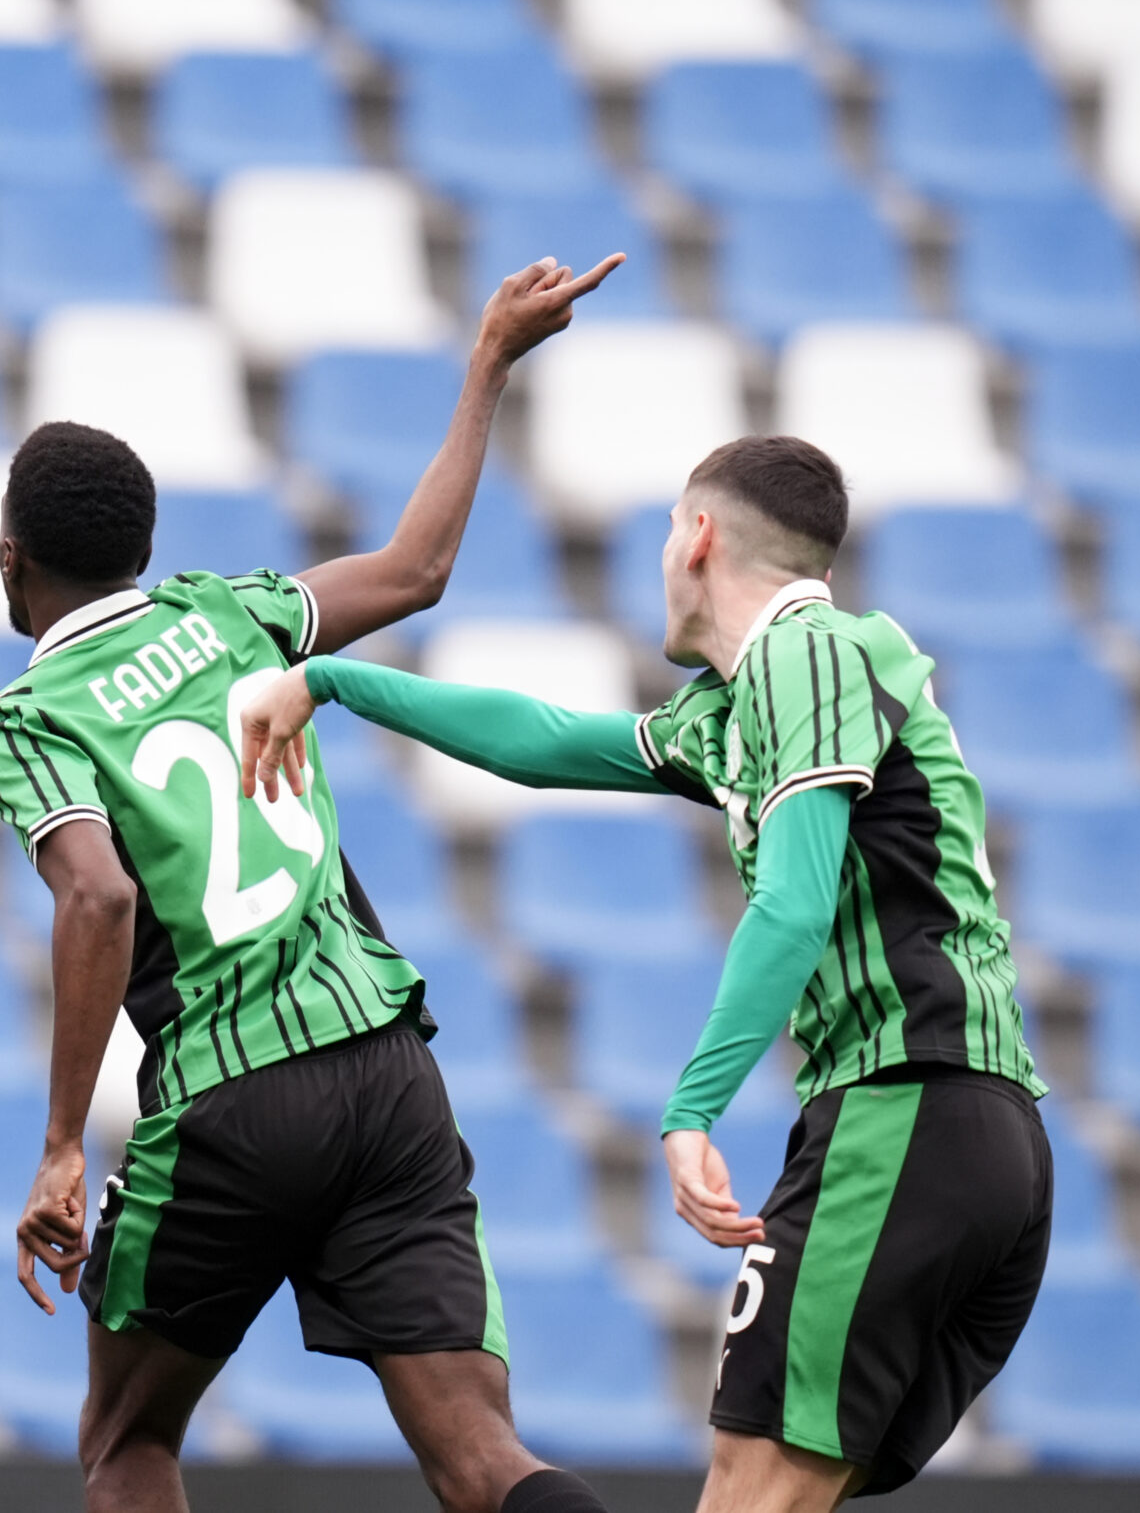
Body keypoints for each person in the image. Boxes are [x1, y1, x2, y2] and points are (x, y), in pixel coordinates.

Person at [236, 436, 1053, 1511]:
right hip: (976, 1136)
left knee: (749, 1484)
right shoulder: (750, 702)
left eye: (668, 531)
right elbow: (543, 741)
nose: (661, 558)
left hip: (903, 1114)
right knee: (780, 1489)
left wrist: (691, 1108)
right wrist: (330, 679)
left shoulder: (802, 653)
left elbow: (797, 900)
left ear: (699, 536)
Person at [0, 252, 625, 1513]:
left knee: (125, 1441)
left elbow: (96, 898)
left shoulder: (26, 719)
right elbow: (417, 567)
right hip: (384, 1068)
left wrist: (60, 1147)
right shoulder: (232, 613)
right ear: (145, 548)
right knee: (482, 1458)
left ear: (11, 560)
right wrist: (486, 364)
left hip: (230, 1095)